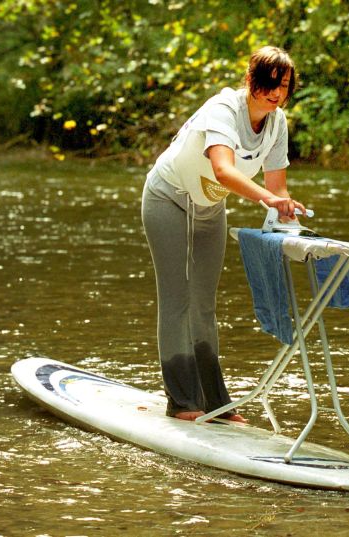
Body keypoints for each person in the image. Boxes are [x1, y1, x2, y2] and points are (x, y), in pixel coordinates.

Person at [141, 46, 305, 422]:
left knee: (204, 303)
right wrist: (269, 199)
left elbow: (276, 186)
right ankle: (181, 401)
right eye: (268, 84)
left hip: (209, 207)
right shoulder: (223, 110)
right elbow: (224, 171)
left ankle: (216, 403)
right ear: (250, 80)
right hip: (169, 198)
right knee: (177, 299)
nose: (276, 93)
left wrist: (288, 213)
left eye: (283, 86)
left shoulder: (277, 123)